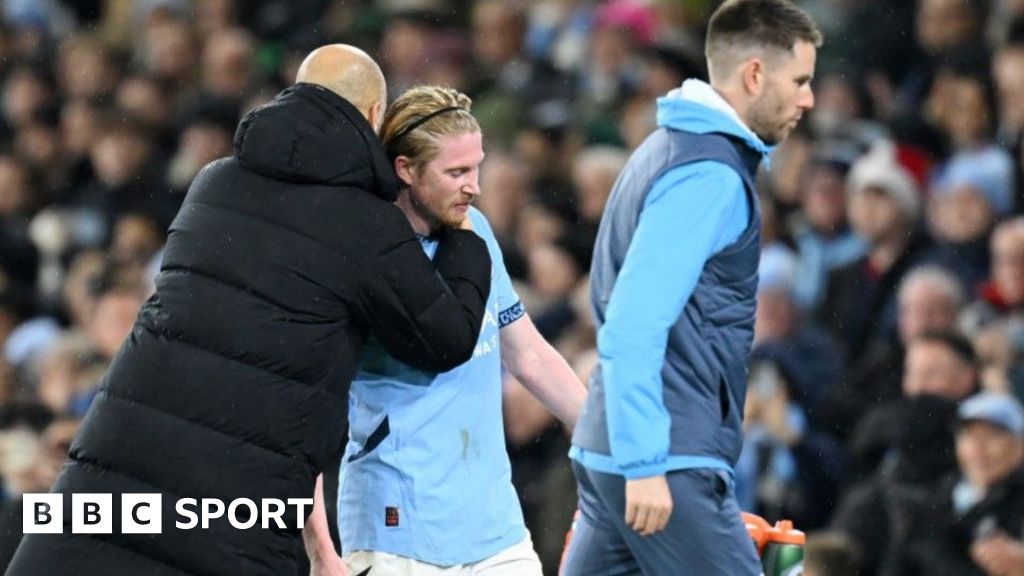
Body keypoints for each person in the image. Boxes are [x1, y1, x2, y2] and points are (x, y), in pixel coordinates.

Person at [8, 45, 494, 576]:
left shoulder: (213, 183)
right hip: (240, 495)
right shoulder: (365, 223)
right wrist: (464, 240)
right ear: (374, 117)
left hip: (119, 451)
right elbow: (445, 338)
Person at [562, 0, 820, 573]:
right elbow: (632, 320)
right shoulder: (709, 175)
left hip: (612, 447)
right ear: (755, 75)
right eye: (800, 80)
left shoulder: (665, 149)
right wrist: (646, 460)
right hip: (662, 457)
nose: (808, 99)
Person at [305, 85, 587, 576]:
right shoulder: (352, 258)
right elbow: (306, 407)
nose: (474, 185)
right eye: (456, 172)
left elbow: (529, 355)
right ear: (405, 170)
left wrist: (609, 440)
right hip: (394, 534)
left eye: (476, 167)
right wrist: (321, 551)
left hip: (496, 534)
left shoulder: (474, 229)